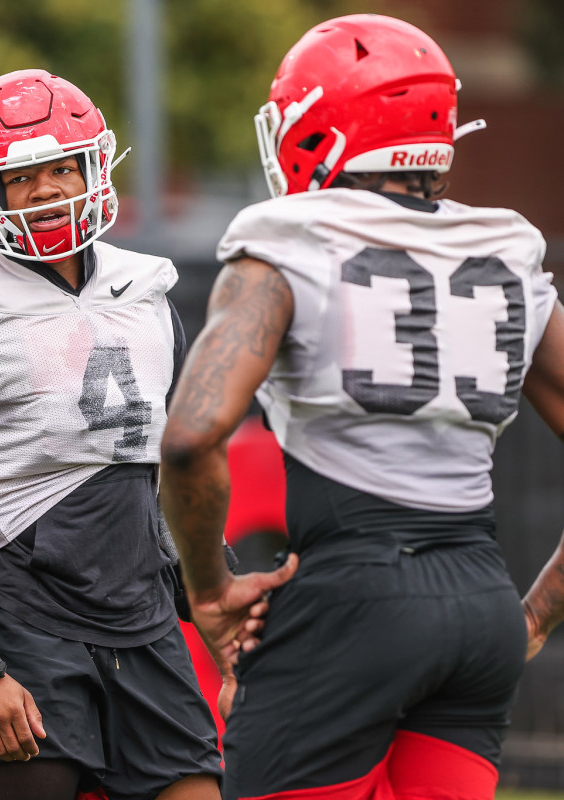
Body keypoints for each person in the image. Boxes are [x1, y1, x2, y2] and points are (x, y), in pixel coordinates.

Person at [159, 14, 564, 800]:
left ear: (319, 130)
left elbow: (189, 437)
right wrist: (538, 615)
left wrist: (207, 591)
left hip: (352, 598)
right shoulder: (508, 247)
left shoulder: (290, 237)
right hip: (480, 601)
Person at [0, 69, 245, 800]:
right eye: (21, 176)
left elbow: (160, 481)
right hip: (24, 617)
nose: (46, 190)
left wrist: (223, 621)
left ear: (95, 167)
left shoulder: (147, 291)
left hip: (142, 617)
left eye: (61, 168)